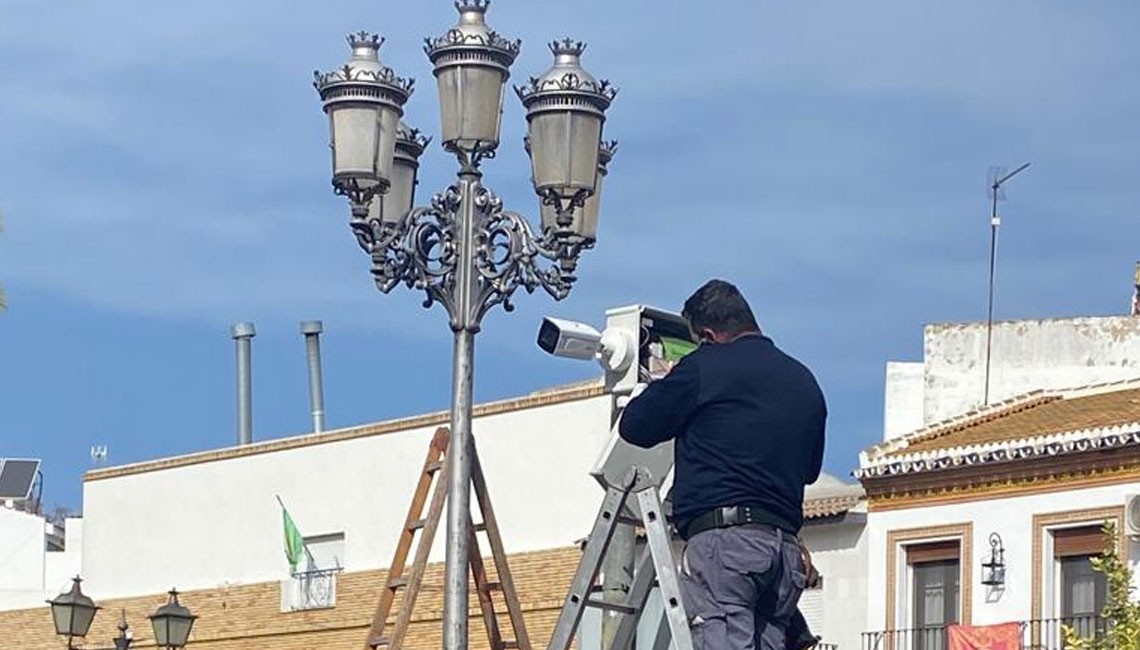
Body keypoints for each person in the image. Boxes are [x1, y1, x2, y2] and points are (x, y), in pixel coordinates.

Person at [618, 279, 827, 650]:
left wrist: (673, 381)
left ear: (709, 336)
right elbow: (809, 470)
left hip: (726, 548)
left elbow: (636, 426)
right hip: (783, 556)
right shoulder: (804, 380)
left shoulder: (704, 366)